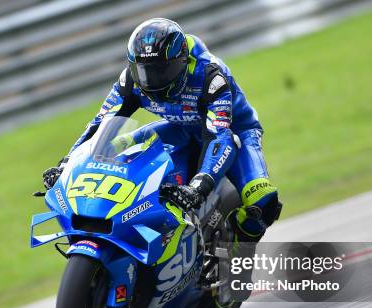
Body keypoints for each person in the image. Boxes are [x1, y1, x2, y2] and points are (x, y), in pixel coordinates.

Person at [43, 18, 281, 247]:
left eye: (162, 71)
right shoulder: (130, 79)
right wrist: (66, 164)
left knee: (263, 201)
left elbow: (221, 136)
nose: (152, 81)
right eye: (145, 71)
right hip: (178, 128)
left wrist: (198, 187)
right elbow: (100, 124)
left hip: (233, 133)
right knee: (113, 148)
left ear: (182, 61)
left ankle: (236, 254)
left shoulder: (209, 76)